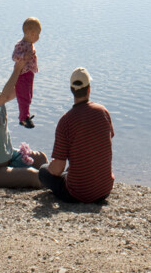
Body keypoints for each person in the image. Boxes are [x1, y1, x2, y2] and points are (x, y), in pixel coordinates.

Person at [39, 67, 115, 203]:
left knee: (43, 172)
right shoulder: (103, 112)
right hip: (105, 189)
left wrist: (50, 167)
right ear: (89, 89)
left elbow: (58, 168)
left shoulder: (66, 121)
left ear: (71, 90)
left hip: (78, 193)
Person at [0, 59, 48, 188]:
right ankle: (60, 186)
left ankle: (60, 177)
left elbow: (20, 90)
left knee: (40, 158)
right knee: (32, 175)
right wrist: (17, 69)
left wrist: (27, 67)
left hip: (9, 157)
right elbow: (5, 97)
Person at [12, 17, 42, 128]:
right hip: (22, 74)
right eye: (38, 34)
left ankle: (26, 115)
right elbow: (14, 56)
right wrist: (23, 57)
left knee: (29, 96)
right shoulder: (21, 44)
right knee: (24, 96)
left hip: (29, 73)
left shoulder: (29, 44)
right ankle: (23, 118)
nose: (38, 37)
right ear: (31, 33)